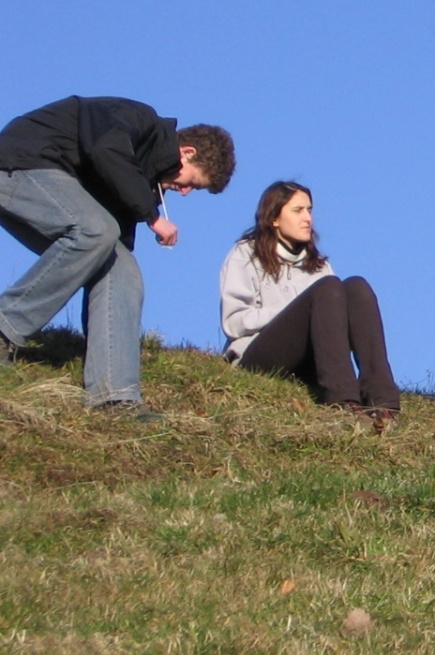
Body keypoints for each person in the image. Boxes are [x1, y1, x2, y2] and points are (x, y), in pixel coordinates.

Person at [0, 96, 235, 417]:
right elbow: (105, 149)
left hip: (60, 192)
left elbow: (113, 250)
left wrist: (142, 212)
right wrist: (152, 216)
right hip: (21, 165)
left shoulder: (139, 179)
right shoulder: (139, 120)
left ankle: (114, 397)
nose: (184, 192)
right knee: (96, 230)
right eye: (190, 183)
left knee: (122, 267)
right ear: (186, 152)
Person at [220, 181, 401, 427]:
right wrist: (290, 311)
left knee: (356, 287)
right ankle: (343, 402)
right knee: (327, 288)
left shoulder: (318, 265)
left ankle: (384, 403)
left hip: (308, 362)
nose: (307, 218)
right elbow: (233, 323)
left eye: (309, 210)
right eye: (298, 211)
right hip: (259, 354)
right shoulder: (246, 254)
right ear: (274, 218)